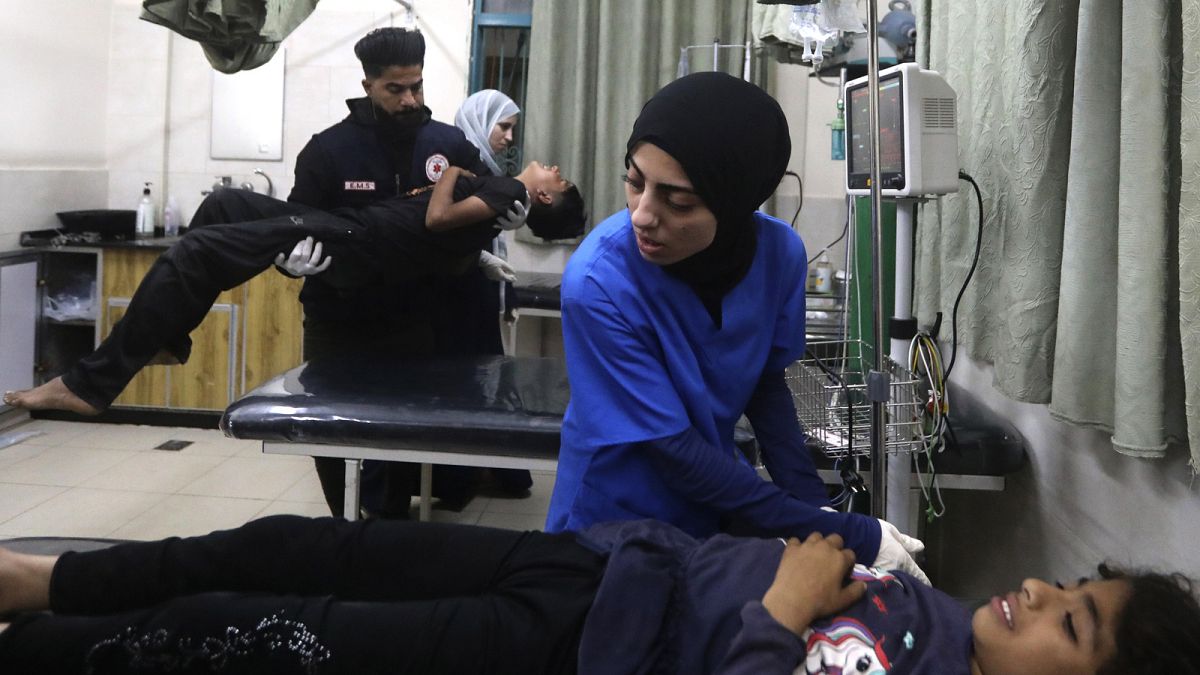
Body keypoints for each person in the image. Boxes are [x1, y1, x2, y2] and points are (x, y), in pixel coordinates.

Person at [544, 70, 923, 578]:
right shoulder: (598, 282)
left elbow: (766, 389)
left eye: (677, 201)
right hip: (612, 514)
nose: (641, 214)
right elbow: (671, 450)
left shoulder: (779, 255)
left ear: (735, 200)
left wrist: (818, 513)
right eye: (634, 183)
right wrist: (845, 532)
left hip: (712, 503)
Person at [0, 515, 1197, 674]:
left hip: (569, 640)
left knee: (267, 635)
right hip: (591, 567)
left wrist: (784, 606)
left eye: (1072, 622)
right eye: (1068, 588)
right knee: (292, 544)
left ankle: (52, 639)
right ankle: (49, 576)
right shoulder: (939, 626)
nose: (1038, 590)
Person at [2, 162, 585, 418]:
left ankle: (90, 384)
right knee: (225, 204)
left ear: (547, 199)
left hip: (359, 242)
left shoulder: (509, 187)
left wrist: (456, 172)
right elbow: (441, 236)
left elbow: (433, 222)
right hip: (356, 231)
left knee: (196, 250)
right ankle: (169, 338)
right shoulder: (503, 193)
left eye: (559, 176)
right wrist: (477, 244)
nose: (552, 167)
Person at [289, 28, 529, 516]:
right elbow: (293, 228)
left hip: (418, 321)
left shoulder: (448, 145)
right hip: (339, 320)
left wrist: (500, 223)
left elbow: (476, 210)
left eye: (416, 86)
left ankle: (389, 541)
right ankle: (346, 530)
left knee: (397, 445)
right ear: (367, 85)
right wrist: (289, 261)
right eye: (395, 89)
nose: (410, 99)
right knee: (331, 435)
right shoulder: (328, 152)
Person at [455, 89, 521, 176]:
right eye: (504, 126)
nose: (510, 137)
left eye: (513, 129)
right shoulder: (458, 163)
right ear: (481, 124)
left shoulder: (483, 165)